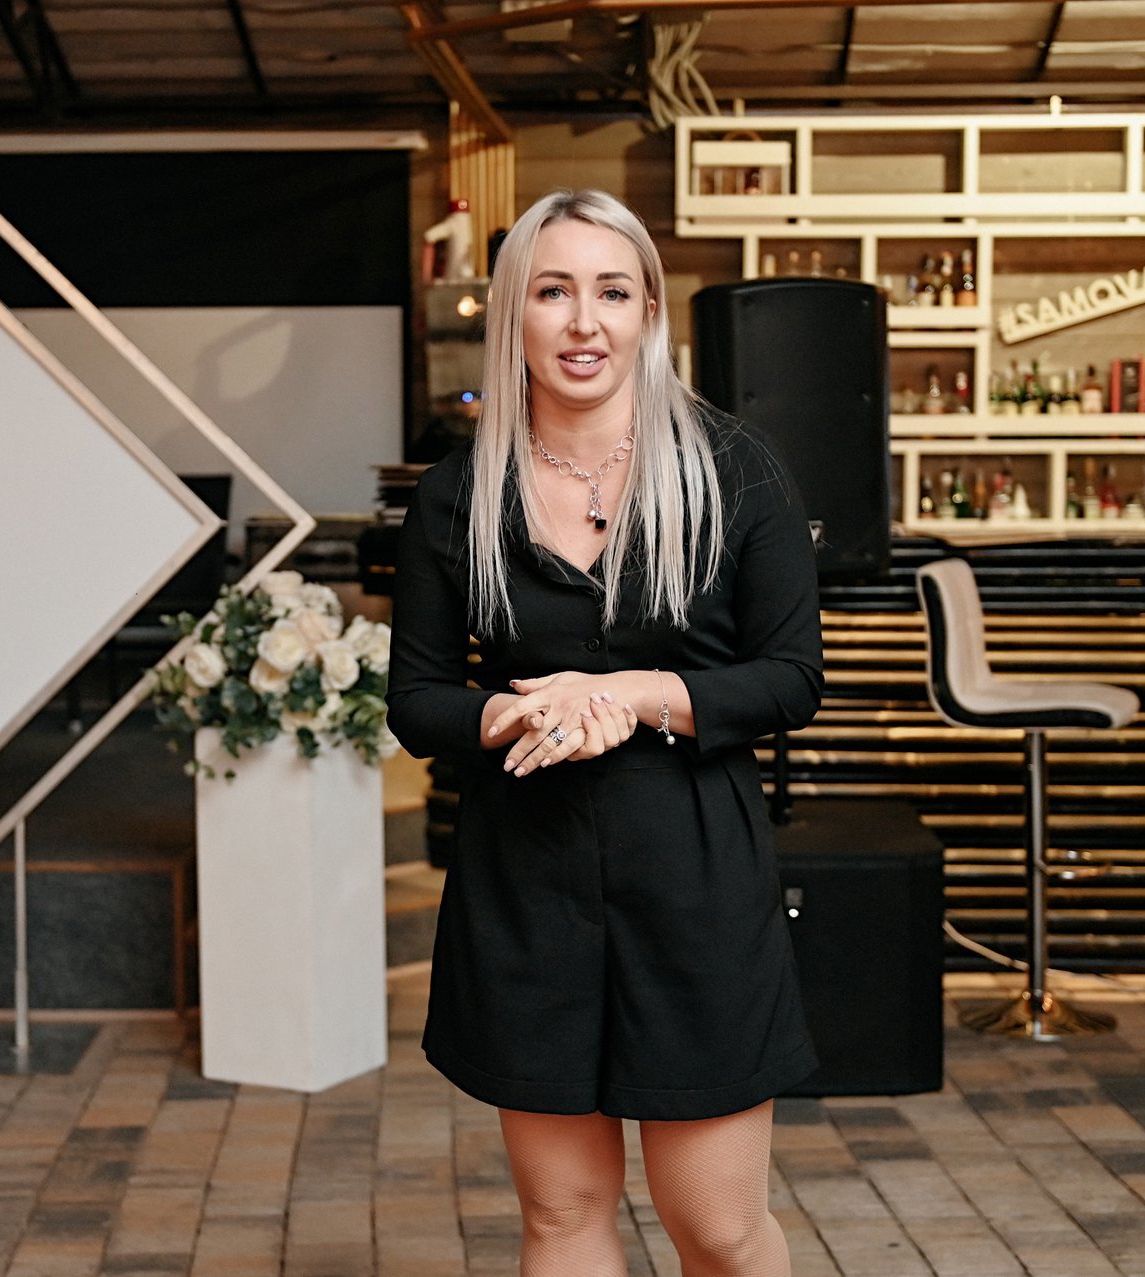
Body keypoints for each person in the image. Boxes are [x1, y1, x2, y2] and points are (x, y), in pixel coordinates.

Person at [386, 189, 822, 1277]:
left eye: (613, 292)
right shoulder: (456, 495)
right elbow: (417, 697)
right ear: (514, 314)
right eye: (554, 291)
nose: (584, 321)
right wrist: (514, 709)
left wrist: (631, 693)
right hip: (525, 887)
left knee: (718, 1227)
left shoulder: (736, 471)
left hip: (697, 887)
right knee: (561, 1213)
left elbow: (791, 678)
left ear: (648, 314)